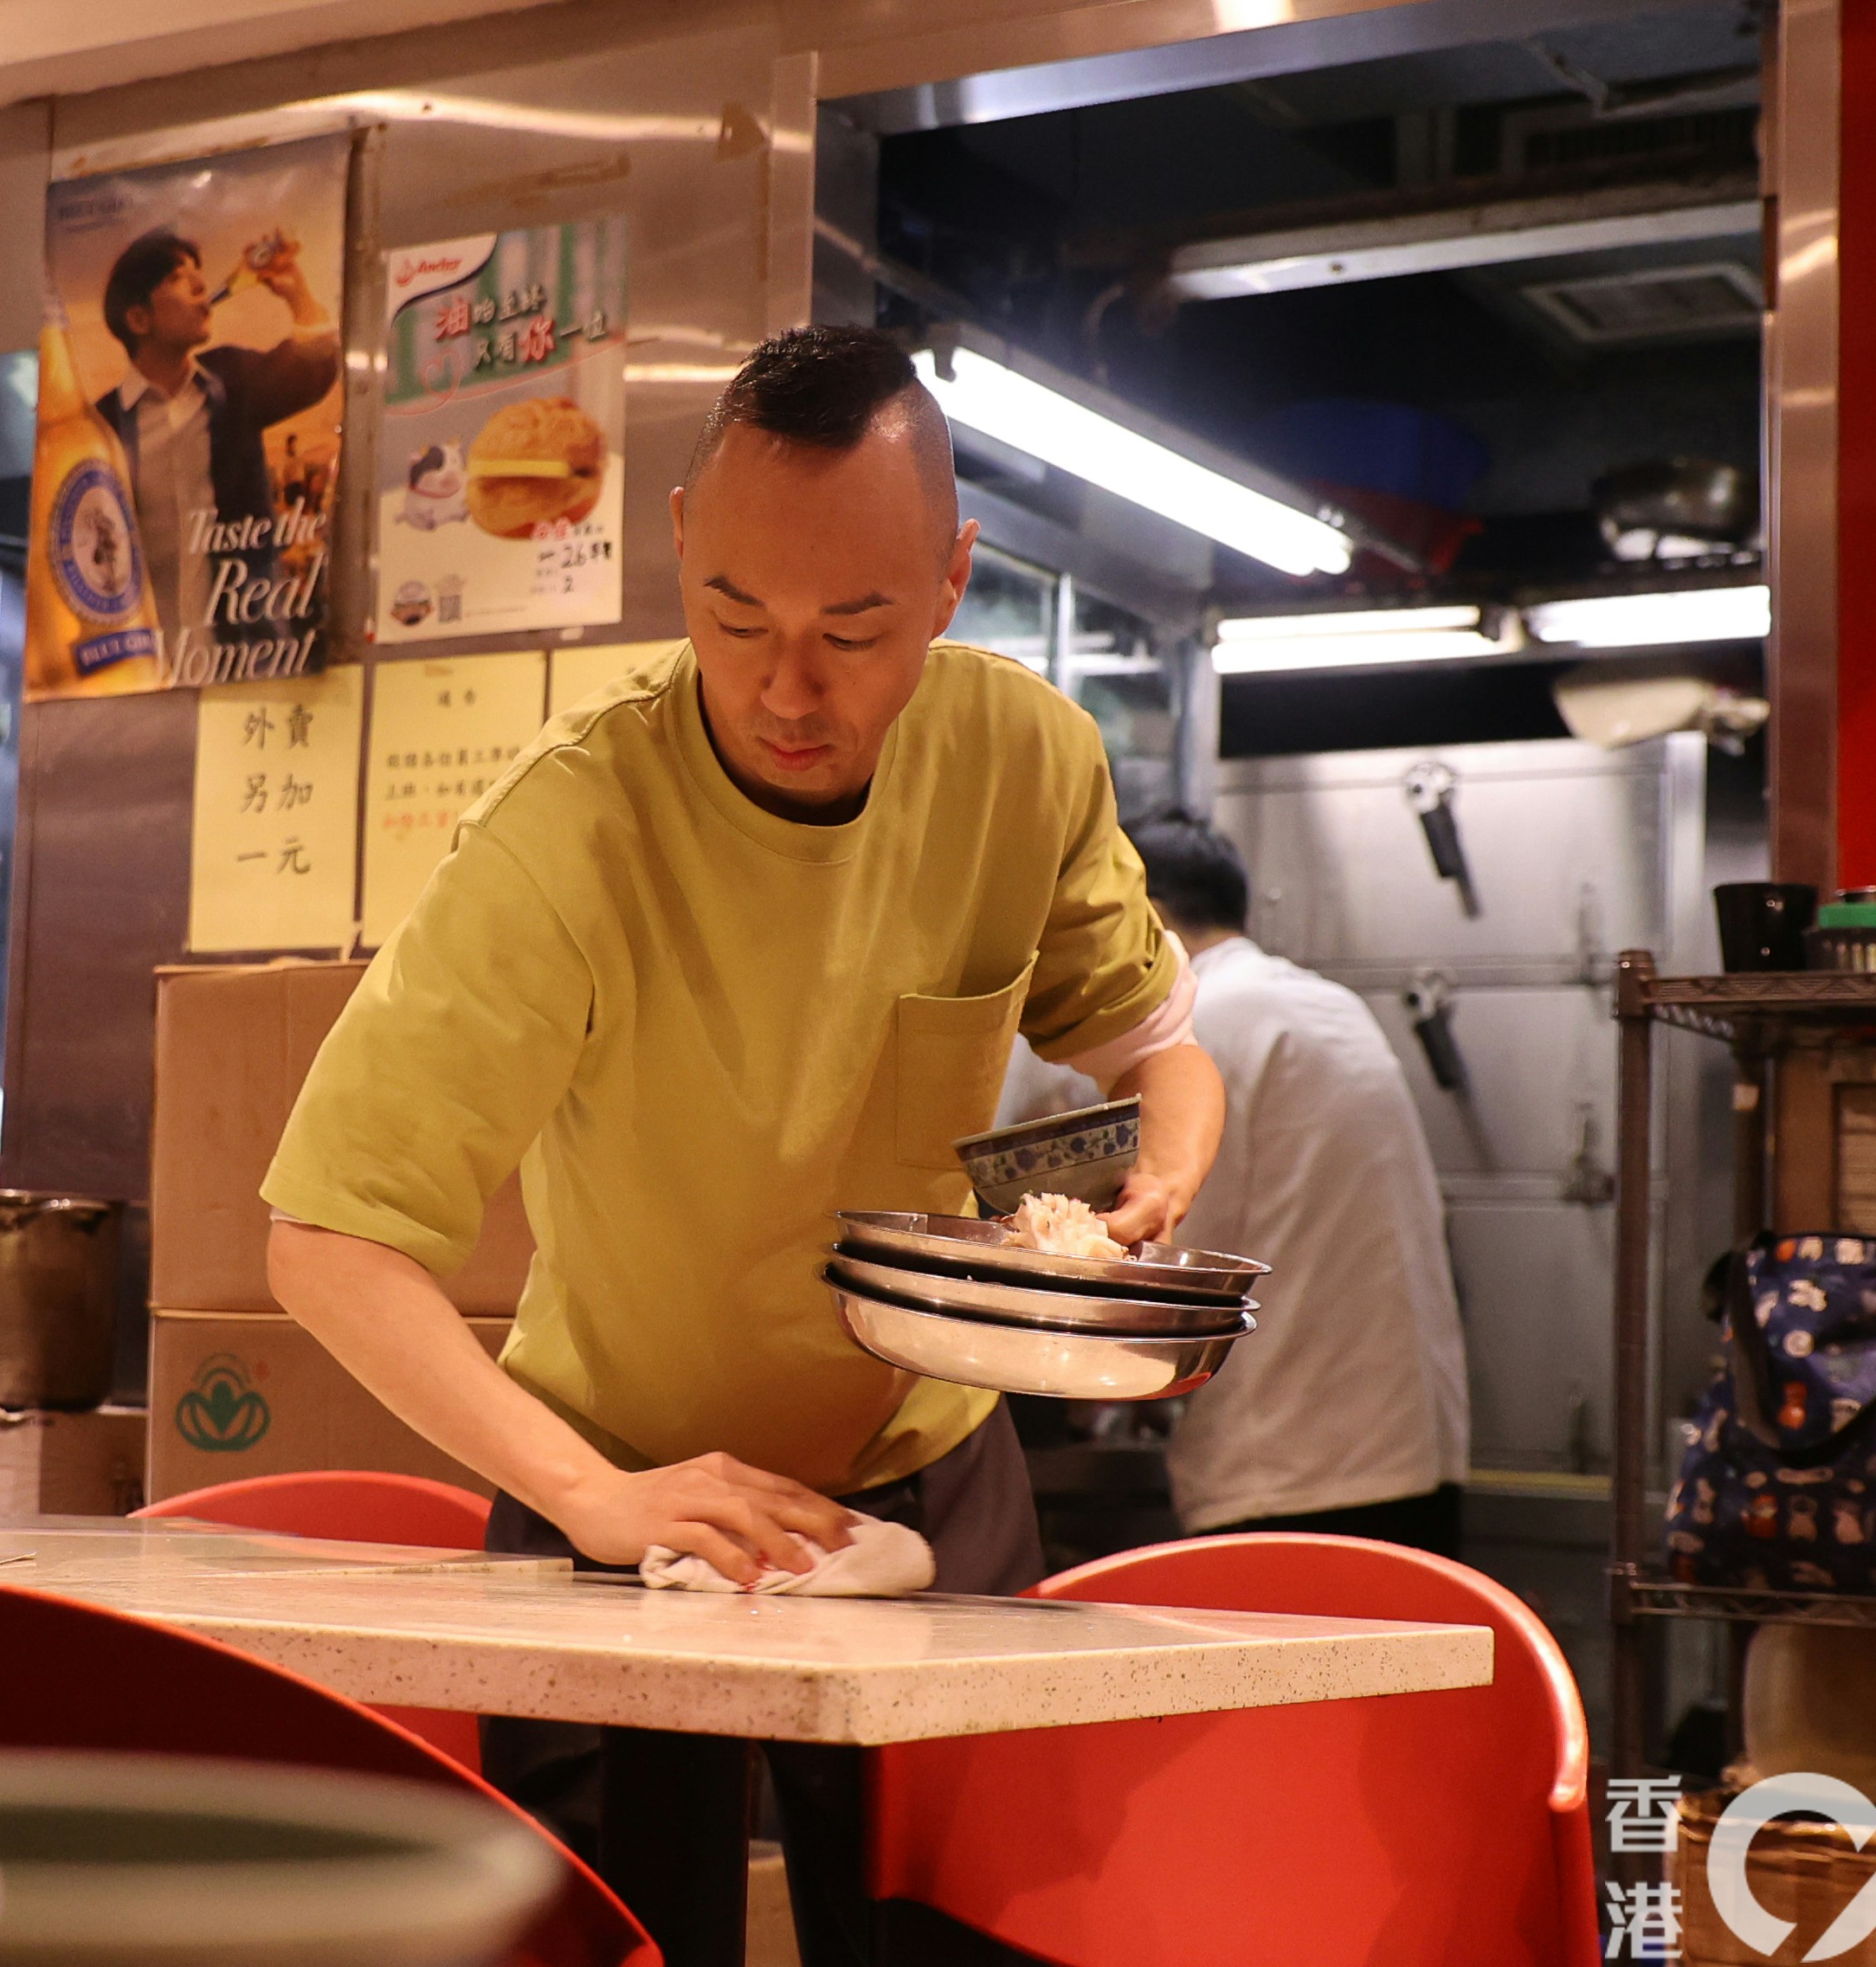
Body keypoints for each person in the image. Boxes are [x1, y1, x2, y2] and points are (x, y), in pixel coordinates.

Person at [260, 326, 1225, 1967]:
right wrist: (590, 1495)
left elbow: (1152, 1041)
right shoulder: (568, 831)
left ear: (949, 581)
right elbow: (327, 1239)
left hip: (932, 1466)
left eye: (852, 631)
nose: (787, 687)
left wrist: (1166, 1177)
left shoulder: (1023, 759)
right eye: (734, 619)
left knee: (957, 1940)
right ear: (680, 544)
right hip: (624, 1487)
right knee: (616, 1943)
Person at [998, 810, 1470, 1555]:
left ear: (1145, 920)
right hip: (1413, 1449)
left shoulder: (1197, 1030)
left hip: (1288, 1469)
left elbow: (1156, 1244)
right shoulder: (1324, 1004)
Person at [94, 228, 339, 655]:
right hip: (147, 660)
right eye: (176, 277)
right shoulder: (101, 426)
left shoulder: (233, 379)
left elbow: (314, 372)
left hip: (249, 653)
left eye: (198, 273)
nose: (200, 285)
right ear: (139, 320)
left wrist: (297, 295)